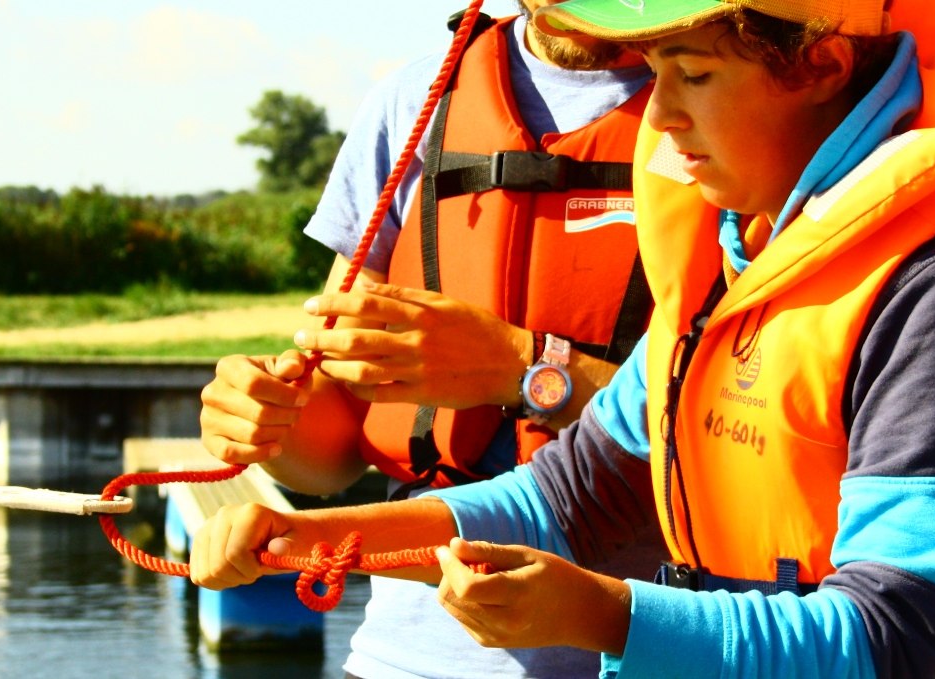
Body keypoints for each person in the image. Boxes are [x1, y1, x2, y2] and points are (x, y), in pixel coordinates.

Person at [194, 0, 935, 676]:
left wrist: (600, 612)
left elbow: (892, 638)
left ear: (821, 62)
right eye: (652, 74)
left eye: (693, 73)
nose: (658, 120)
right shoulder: (737, 259)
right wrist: (322, 534)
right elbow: (565, 493)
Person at [195, 2, 660, 677]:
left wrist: (522, 368)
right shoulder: (416, 100)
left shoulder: (716, 98)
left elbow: (736, 424)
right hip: (401, 656)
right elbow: (335, 446)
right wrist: (267, 422)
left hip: (651, 644)